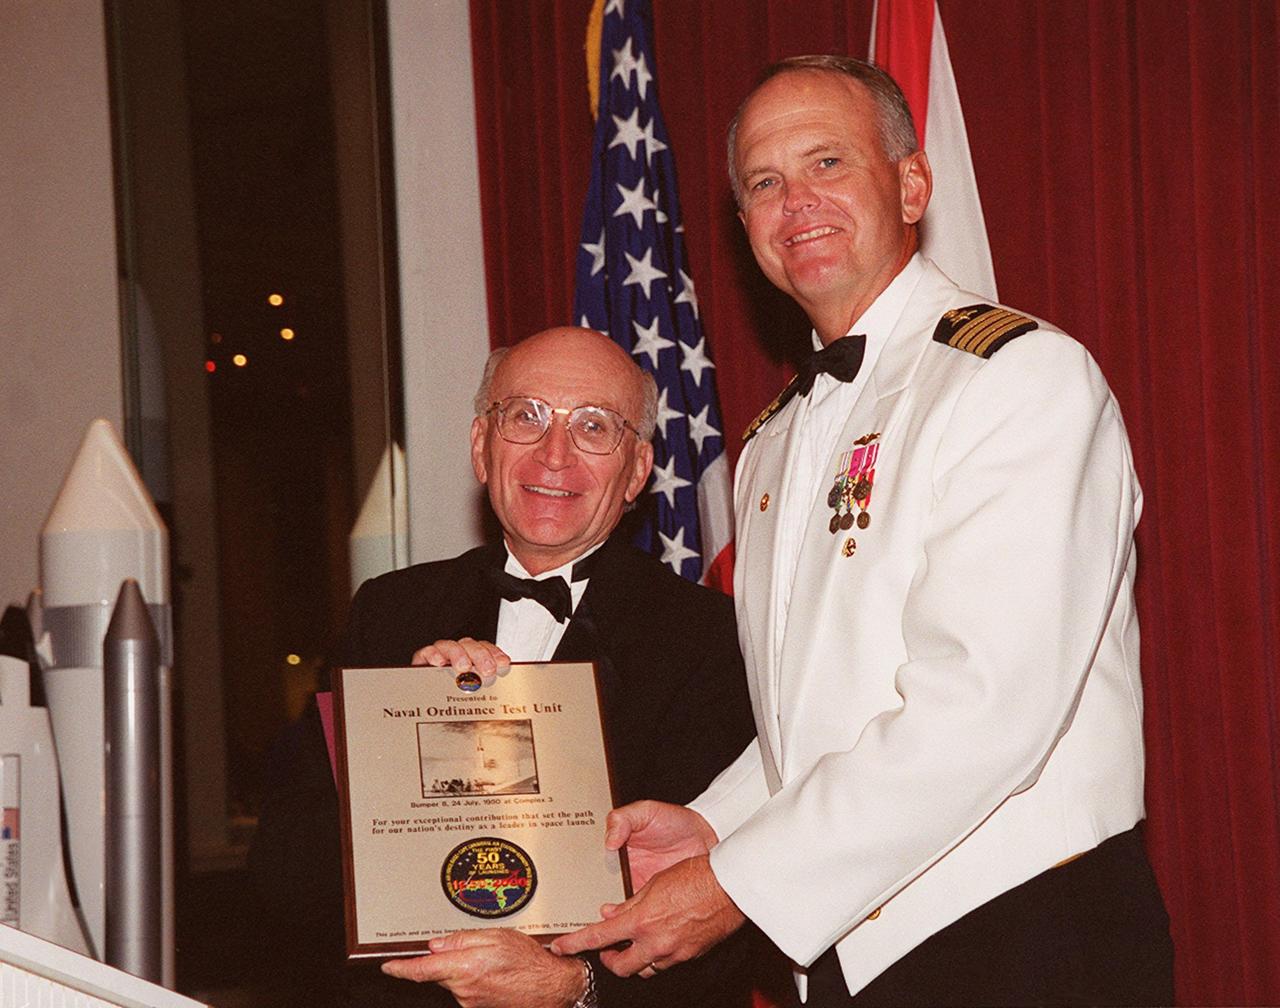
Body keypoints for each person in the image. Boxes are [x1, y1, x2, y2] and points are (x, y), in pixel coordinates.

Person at [553, 56, 1174, 1006]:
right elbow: (818, 716)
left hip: (1020, 939)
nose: (795, 200)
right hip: (847, 950)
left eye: (827, 162)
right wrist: (716, 827)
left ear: (912, 184)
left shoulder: (1019, 378)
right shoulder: (771, 442)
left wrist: (738, 883)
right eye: (764, 182)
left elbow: (981, 705)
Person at [250, 327, 762, 1007]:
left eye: (593, 427)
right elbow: (283, 872)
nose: (554, 454)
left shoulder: (707, 641)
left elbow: (727, 920)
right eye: (525, 416)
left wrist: (575, 988)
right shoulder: (391, 611)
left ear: (637, 471)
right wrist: (401, 731)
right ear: (481, 447)